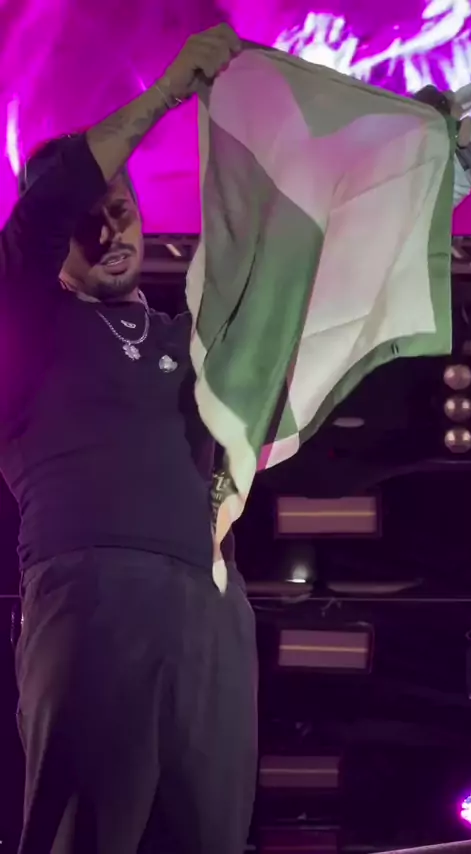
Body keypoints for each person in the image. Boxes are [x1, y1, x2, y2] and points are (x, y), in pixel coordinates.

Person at [0, 23, 258, 854]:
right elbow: (45, 209)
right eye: (86, 223)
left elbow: (295, 284)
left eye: (121, 212)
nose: (109, 234)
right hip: (93, 599)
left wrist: (426, 171)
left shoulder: (186, 334)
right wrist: (169, 92)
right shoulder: (25, 321)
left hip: (210, 611)